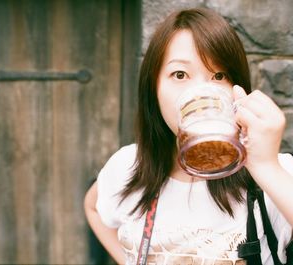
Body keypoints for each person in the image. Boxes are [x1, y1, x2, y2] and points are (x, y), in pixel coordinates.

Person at [84, 7, 293, 265]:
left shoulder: (275, 174)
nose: (200, 92)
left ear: (236, 89)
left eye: (219, 75)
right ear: (154, 88)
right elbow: (93, 207)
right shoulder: (128, 164)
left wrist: (265, 166)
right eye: (180, 74)